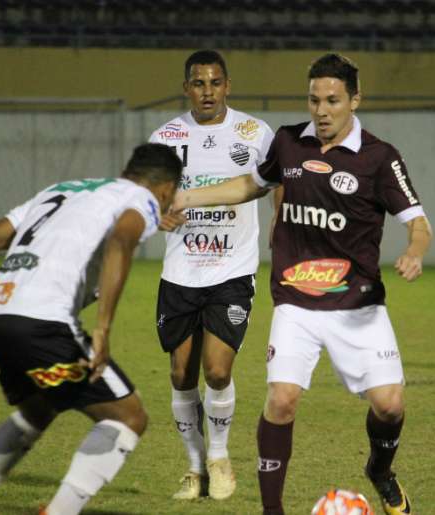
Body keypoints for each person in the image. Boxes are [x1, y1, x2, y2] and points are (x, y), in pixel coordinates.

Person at [171, 53, 431, 515]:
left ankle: (380, 471)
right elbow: (247, 186)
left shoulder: (380, 157)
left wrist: (414, 250)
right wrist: (185, 197)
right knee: (282, 398)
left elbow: (419, 222)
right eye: (314, 100)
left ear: (355, 100)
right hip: (296, 300)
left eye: (332, 100)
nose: (322, 110)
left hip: (359, 305)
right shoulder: (289, 144)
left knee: (390, 406)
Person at [0, 143, 183, 515]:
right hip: (40, 321)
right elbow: (121, 240)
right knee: (128, 417)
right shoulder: (142, 199)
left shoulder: (61, 190)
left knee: (40, 405)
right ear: (166, 188)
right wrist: (102, 328)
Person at [148, 49, 274, 501]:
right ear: (187, 88)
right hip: (181, 270)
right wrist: (156, 214)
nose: (207, 92)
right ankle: (195, 468)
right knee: (181, 373)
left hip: (232, 269)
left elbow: (275, 182)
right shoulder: (165, 136)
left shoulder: (254, 133)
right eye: (198, 84)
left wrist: (279, 229)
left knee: (217, 372)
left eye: (215, 83)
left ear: (227, 85)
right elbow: (148, 195)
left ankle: (220, 458)